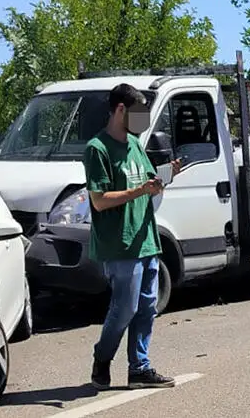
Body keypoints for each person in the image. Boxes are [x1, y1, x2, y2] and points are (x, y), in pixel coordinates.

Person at [84, 83, 182, 390]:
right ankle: (102, 358)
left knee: (147, 307)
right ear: (121, 109)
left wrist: (165, 177)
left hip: (146, 238)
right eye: (138, 112)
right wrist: (140, 190)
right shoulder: (97, 149)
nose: (142, 120)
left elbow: (148, 183)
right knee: (124, 308)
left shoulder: (136, 145)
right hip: (120, 243)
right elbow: (99, 200)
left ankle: (139, 368)